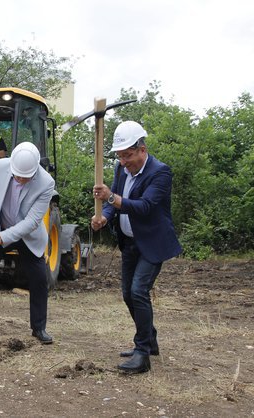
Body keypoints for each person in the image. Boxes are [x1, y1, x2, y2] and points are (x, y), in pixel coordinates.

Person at [91, 121, 182, 374]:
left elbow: (144, 207)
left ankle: (142, 353)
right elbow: (113, 203)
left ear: (143, 149)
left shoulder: (160, 172)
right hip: (129, 242)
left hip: (153, 242)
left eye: (128, 155)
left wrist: (110, 197)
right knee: (128, 294)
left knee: (139, 291)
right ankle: (149, 339)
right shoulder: (121, 171)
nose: (123, 161)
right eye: (120, 156)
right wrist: (104, 216)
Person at [0, 142, 55, 344]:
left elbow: (32, 222)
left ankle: (39, 328)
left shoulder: (46, 182)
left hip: (27, 236)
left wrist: (4, 237)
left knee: (39, 279)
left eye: (26, 177)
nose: (21, 179)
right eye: (17, 175)